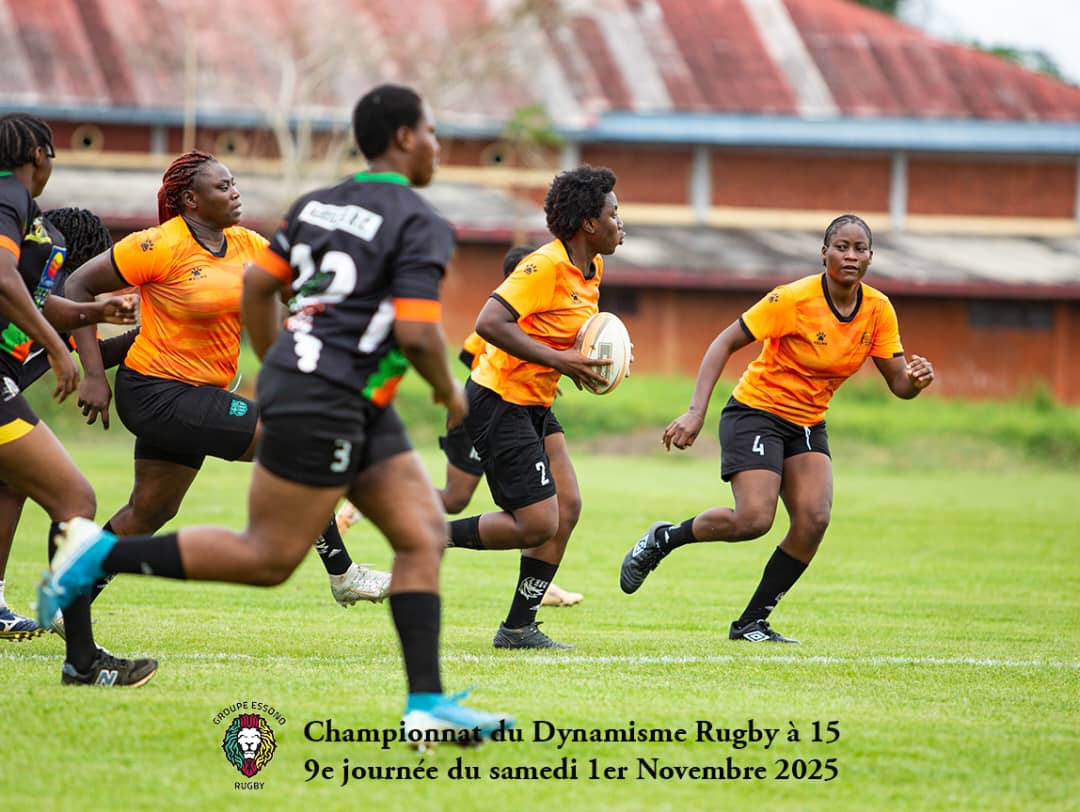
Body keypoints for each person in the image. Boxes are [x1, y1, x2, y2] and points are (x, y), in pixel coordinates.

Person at [39, 84, 512, 737]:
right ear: (405, 137)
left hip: (340, 395)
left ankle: (426, 706)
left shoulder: (316, 206)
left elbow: (262, 287)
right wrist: (452, 394)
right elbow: (417, 332)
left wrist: (280, 364)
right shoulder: (419, 221)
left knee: (421, 533)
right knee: (267, 557)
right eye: (432, 131)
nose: (437, 143)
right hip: (311, 397)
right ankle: (97, 557)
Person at [62, 149, 389, 609]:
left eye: (234, 183)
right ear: (191, 200)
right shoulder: (157, 245)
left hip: (198, 395)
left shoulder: (248, 244)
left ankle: (69, 600)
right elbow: (77, 286)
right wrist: (94, 375)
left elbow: (297, 290)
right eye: (223, 186)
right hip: (155, 392)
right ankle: (343, 573)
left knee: (148, 511)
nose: (235, 193)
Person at [619, 214, 935, 643]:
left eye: (860, 249)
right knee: (753, 520)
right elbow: (723, 343)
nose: (850, 256)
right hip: (756, 412)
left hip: (807, 422)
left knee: (814, 519)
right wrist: (695, 412)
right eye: (841, 247)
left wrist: (915, 381)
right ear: (824, 253)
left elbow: (898, 383)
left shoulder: (878, 310)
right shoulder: (792, 299)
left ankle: (751, 622)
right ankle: (663, 539)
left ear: (870, 257)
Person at [334, 244, 584, 607]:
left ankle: (536, 589)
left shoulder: (550, 317)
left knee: (552, 503)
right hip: (485, 409)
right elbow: (471, 359)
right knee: (455, 498)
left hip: (530, 407)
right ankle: (378, 495)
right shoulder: (504, 317)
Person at [0, 113, 154, 684]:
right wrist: (59, 350)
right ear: (39, 154)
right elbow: (5, 280)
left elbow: (39, 300)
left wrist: (94, 312)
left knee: (28, 485)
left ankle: (82, 659)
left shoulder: (29, 215)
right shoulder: (10, 197)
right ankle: (84, 663)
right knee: (74, 500)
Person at [445, 165, 623, 649]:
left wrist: (603, 361)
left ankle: (518, 628)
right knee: (538, 522)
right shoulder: (544, 266)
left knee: (568, 506)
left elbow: (567, 332)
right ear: (589, 223)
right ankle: (428, 534)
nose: (620, 222)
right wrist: (561, 360)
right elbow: (489, 322)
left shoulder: (593, 268)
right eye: (613, 213)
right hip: (499, 397)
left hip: (536, 399)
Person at [0, 206, 135, 639]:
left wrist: (139, 336)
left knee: (13, 482)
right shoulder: (40, 287)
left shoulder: (49, 297)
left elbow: (87, 352)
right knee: (74, 498)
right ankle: (81, 651)